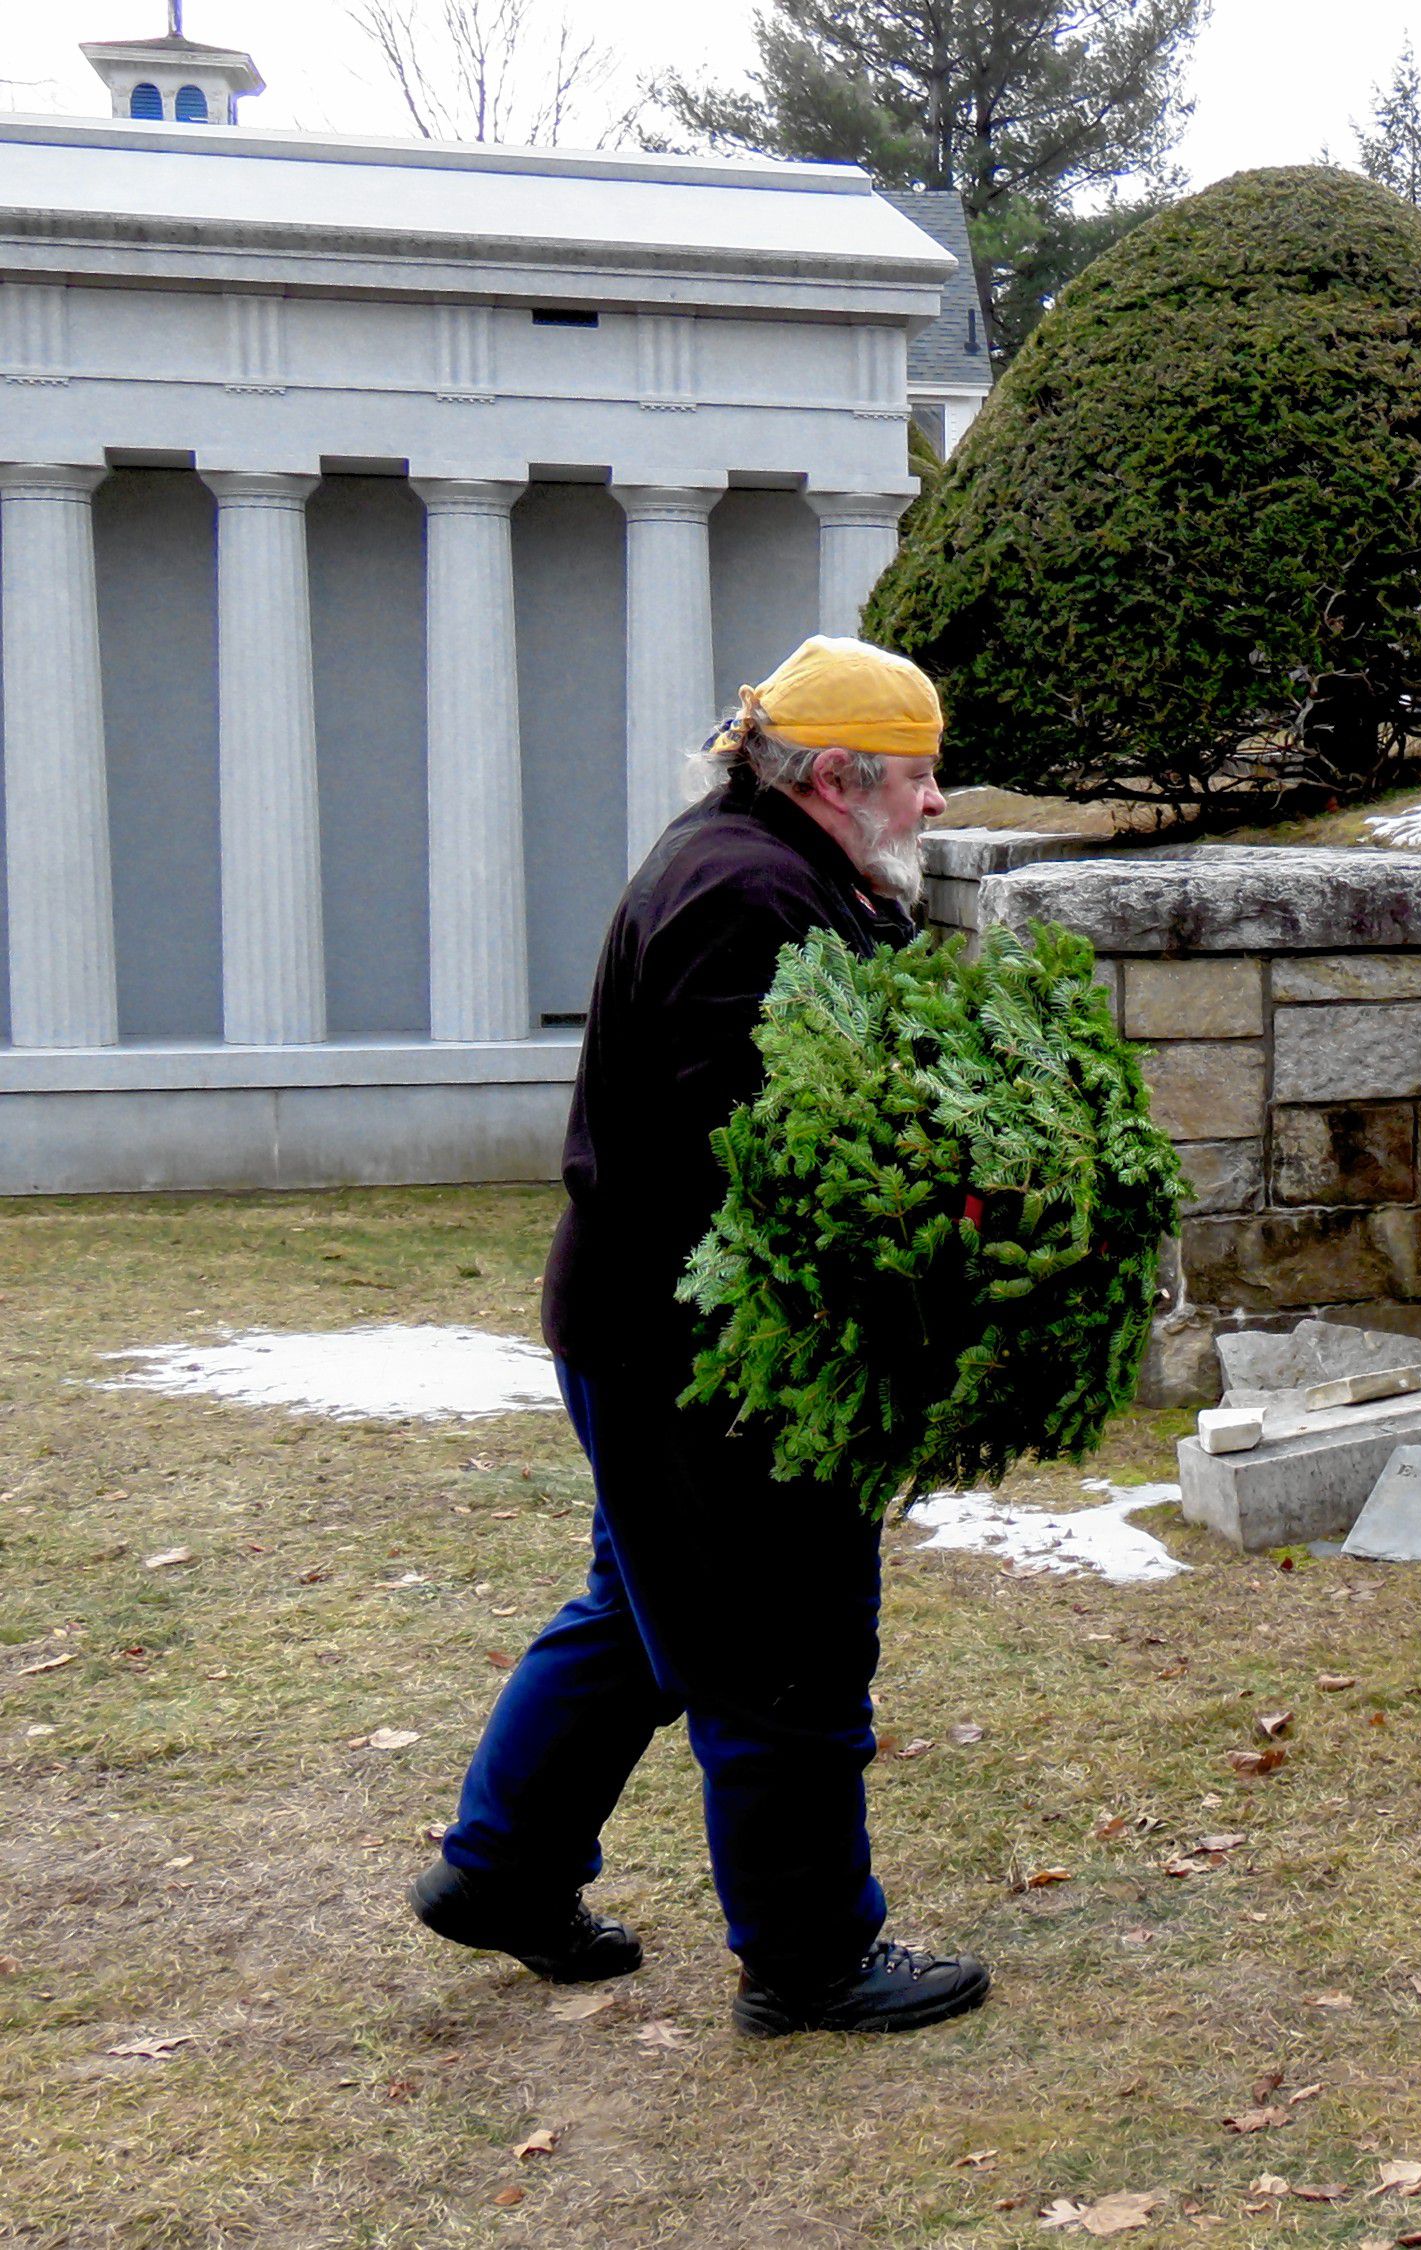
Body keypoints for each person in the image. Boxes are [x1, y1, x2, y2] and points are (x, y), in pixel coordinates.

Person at [406, 635, 989, 2039]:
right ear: (834, 773)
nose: (934, 806)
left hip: (650, 1329)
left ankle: (503, 1869)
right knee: (777, 1634)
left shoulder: (764, 861)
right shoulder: (749, 896)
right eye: (916, 779)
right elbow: (771, 1151)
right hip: (708, 1352)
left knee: (645, 1615)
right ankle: (808, 1955)